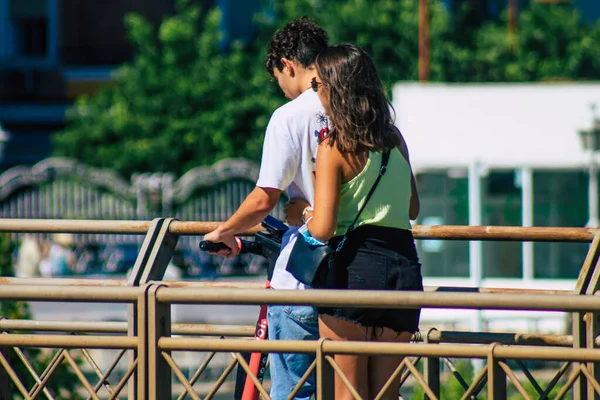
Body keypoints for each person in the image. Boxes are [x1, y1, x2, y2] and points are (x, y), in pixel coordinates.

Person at [286, 44, 423, 400]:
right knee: (386, 394)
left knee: (348, 394)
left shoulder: (334, 146)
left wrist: (305, 213)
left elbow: (323, 228)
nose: (317, 95)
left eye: (319, 87)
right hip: (403, 271)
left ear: (335, 88)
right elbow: (412, 208)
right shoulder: (395, 141)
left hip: (353, 272)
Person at [203, 17, 329, 400]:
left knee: (295, 393)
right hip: (361, 276)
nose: (284, 91)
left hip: (304, 278)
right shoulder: (365, 106)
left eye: (279, 79)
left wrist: (223, 232)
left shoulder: (289, 117)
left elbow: (263, 199)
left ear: (287, 65)